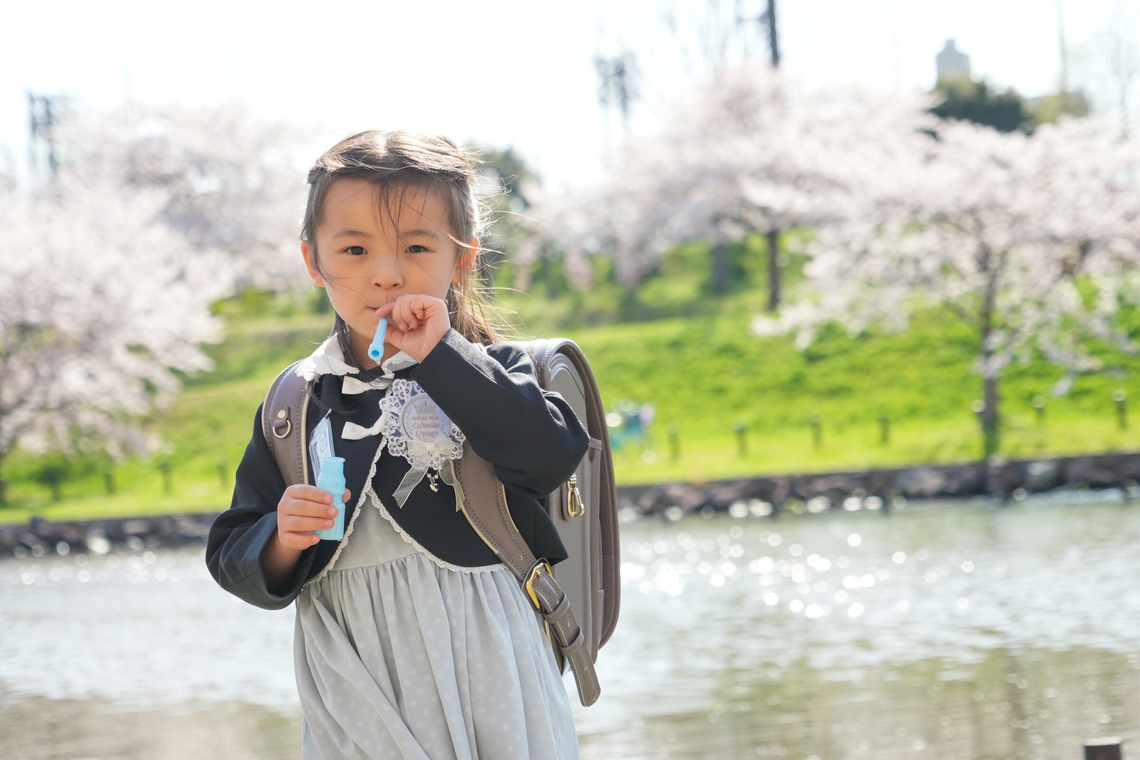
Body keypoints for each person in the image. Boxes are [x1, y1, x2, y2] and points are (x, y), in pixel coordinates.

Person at [205, 130, 589, 759]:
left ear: (461, 259)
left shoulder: (493, 368)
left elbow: (549, 455)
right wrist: (281, 537)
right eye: (354, 249)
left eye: (416, 246)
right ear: (314, 261)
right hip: (352, 667)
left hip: (484, 655)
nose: (386, 274)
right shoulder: (297, 401)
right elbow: (232, 554)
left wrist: (443, 357)